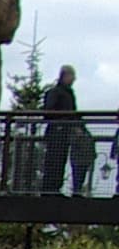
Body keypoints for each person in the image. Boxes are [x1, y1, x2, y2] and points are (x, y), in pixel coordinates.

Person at [41, 65, 93, 195]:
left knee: (60, 160)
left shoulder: (68, 93)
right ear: (65, 75)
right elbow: (49, 111)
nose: (74, 79)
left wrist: (79, 126)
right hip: (56, 131)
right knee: (53, 160)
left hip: (65, 132)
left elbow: (73, 113)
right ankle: (49, 190)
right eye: (72, 76)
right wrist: (63, 119)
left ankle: (55, 189)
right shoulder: (56, 92)